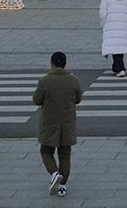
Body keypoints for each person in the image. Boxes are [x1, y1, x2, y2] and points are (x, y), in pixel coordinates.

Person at [32, 51, 82, 198]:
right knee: (65, 155)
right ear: (65, 64)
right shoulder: (74, 81)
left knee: (46, 151)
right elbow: (78, 99)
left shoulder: (45, 81)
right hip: (67, 123)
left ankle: (54, 174)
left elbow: (37, 100)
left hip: (50, 123)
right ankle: (63, 186)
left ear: (52, 64)